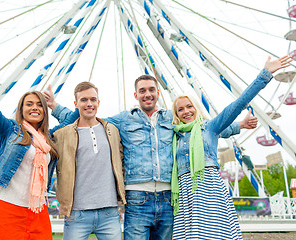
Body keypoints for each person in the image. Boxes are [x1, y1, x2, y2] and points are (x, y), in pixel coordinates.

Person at [45, 75, 259, 240]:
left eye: (151, 90)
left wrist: (238, 126)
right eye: (142, 91)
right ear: (135, 95)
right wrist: (56, 107)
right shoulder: (123, 120)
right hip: (137, 199)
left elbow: (202, 129)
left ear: (157, 93)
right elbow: (88, 117)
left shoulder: (172, 118)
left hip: (168, 198)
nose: (147, 94)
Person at [0, 38, 78, 239]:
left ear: (44, 111)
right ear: (21, 109)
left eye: (39, 104)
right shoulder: (9, 130)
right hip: (5, 208)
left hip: (37, 210)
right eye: (29, 104)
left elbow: (75, 118)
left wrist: (54, 105)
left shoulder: (50, 139)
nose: (34, 107)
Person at [171, 56, 292, 240]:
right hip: (185, 191)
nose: (186, 111)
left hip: (208, 186)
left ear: (196, 107)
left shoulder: (209, 127)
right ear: (176, 114)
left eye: (190, 106)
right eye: (180, 109)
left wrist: (265, 74)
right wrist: (240, 126)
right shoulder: (174, 135)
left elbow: (236, 106)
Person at [47, 81, 126, 240]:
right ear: (76, 104)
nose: (89, 104)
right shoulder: (62, 135)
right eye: (83, 100)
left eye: (92, 99)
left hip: (109, 212)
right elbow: (37, 148)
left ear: (98, 102)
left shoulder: (112, 130)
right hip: (77, 213)